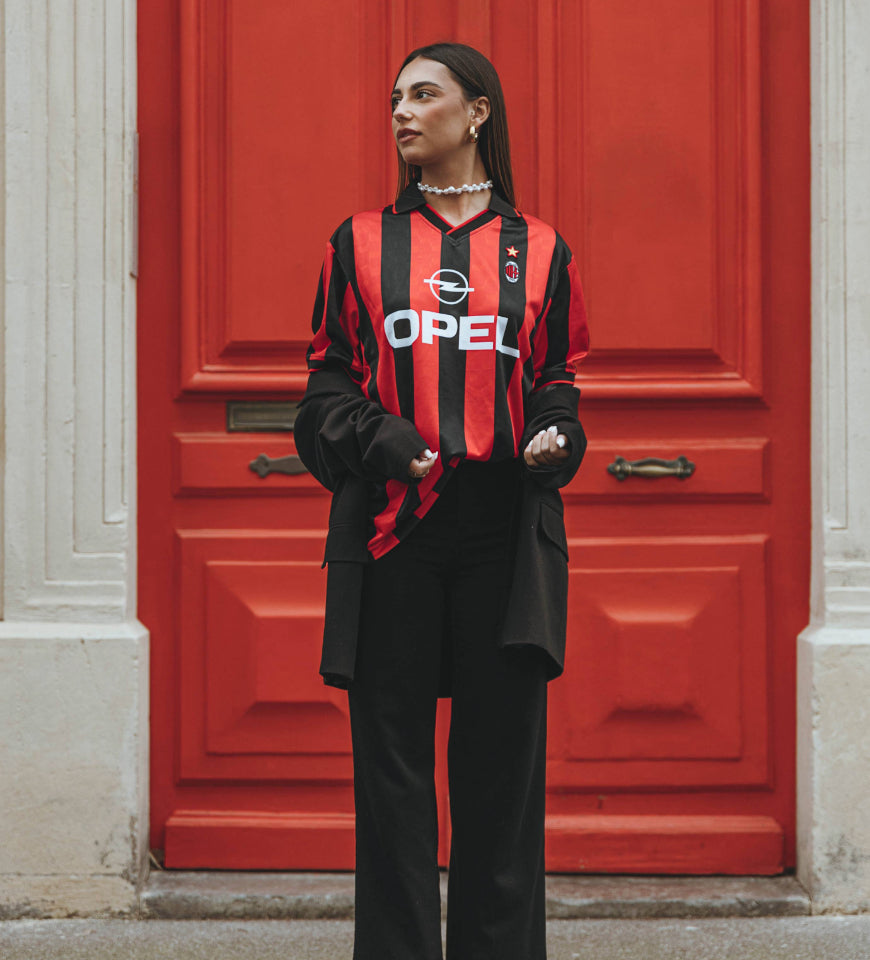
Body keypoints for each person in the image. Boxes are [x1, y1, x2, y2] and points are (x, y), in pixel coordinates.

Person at [294, 41, 590, 960]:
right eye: (396, 98)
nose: (402, 112)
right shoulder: (358, 243)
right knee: (393, 785)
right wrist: (382, 437)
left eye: (424, 95)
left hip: (503, 533)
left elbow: (557, 378)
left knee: (502, 782)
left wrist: (557, 433)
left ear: (477, 112)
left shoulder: (540, 247)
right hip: (395, 536)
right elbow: (324, 392)